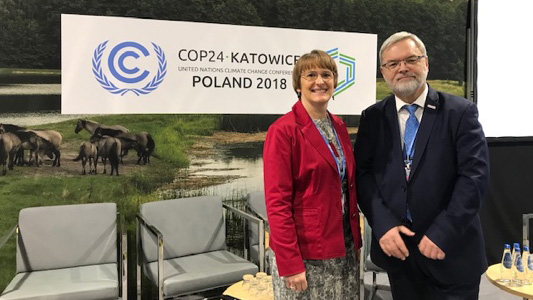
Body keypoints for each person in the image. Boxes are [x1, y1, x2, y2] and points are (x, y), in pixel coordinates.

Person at [354, 31, 490, 299]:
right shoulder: (373, 118)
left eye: (411, 59)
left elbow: (474, 178)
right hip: (401, 256)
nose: (402, 68)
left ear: (426, 63)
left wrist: (443, 231)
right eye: (393, 64)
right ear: (384, 72)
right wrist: (382, 224)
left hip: (451, 253)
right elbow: (364, 175)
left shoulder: (460, 113)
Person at [263, 49, 361, 299]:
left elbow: (345, 186)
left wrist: (355, 242)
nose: (320, 81)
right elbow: (277, 203)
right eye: (311, 75)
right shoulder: (283, 130)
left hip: (343, 247)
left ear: (335, 82)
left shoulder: (338, 126)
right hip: (305, 253)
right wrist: (290, 263)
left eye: (326, 74)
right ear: (298, 84)